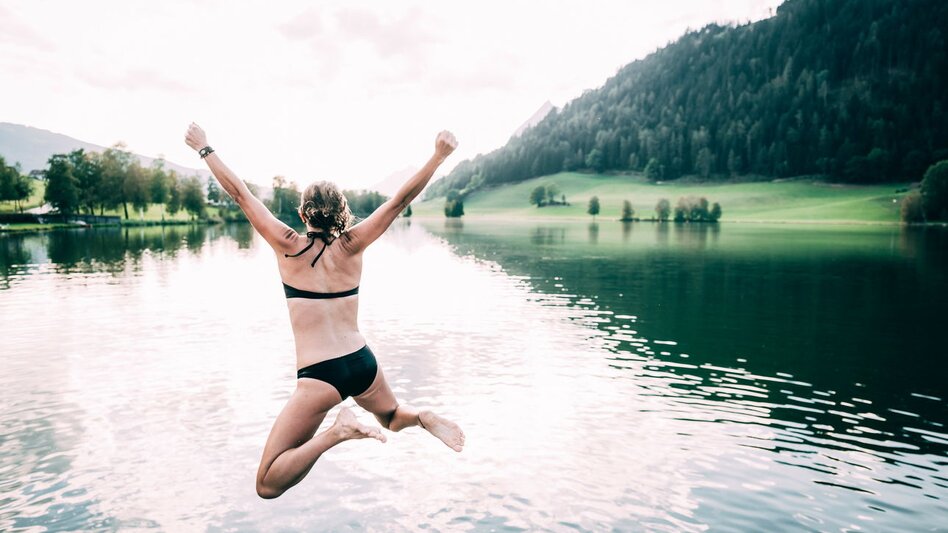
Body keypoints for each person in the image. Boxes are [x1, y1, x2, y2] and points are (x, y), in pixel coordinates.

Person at [184, 123, 465, 499]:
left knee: (267, 483)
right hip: (362, 361)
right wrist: (438, 156)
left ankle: (338, 432)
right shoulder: (353, 245)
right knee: (393, 417)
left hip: (320, 376)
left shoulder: (287, 244)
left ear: (304, 213)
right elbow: (398, 202)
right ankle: (421, 417)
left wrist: (204, 148)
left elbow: (241, 195)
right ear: (341, 213)